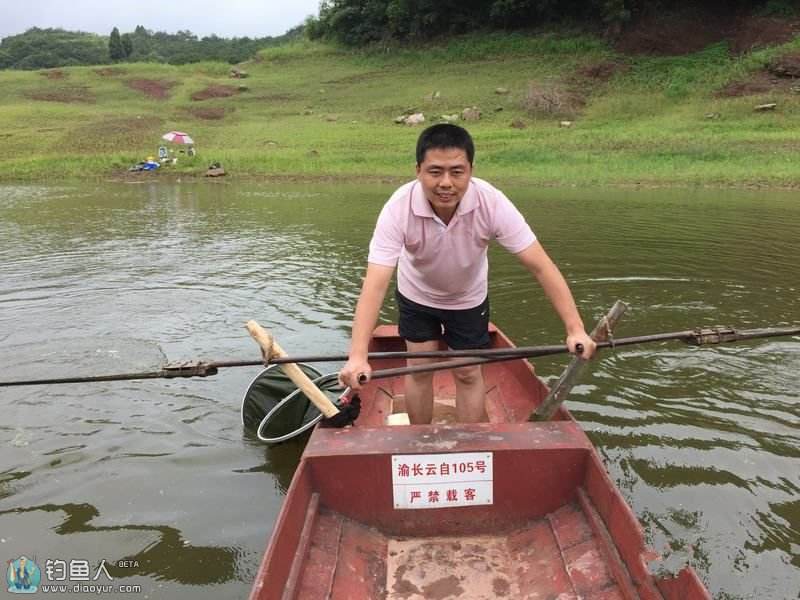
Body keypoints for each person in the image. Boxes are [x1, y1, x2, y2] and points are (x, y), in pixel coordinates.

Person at [338, 124, 596, 423]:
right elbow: (375, 284)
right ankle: (419, 441)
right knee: (419, 369)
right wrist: (358, 356)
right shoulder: (398, 208)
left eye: (457, 172)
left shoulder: (492, 202)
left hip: (468, 299)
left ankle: (469, 444)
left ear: (471, 170)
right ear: (418, 170)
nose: (446, 183)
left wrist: (575, 328)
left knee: (468, 372)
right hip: (416, 295)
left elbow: (541, 265)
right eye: (435, 172)